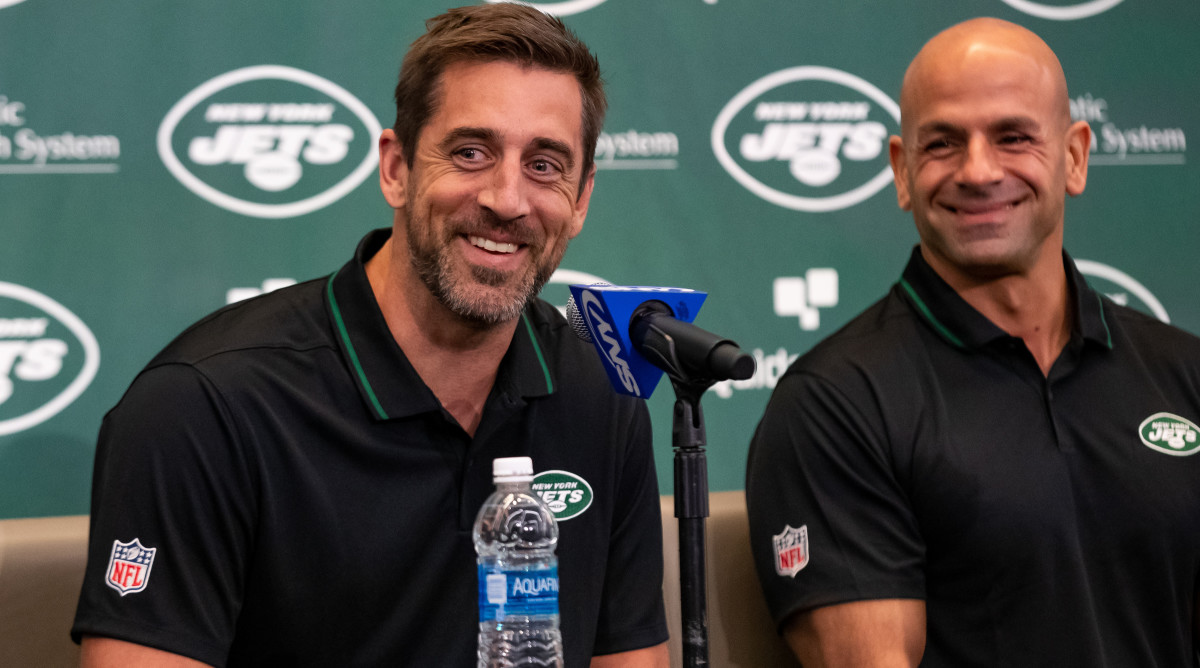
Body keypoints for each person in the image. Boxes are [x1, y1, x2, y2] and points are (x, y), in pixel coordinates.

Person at [71, 5, 670, 666]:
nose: (507, 199)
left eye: (545, 165)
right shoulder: (204, 408)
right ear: (397, 168)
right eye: (471, 152)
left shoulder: (601, 396)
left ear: (581, 198)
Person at [745, 17, 1200, 668]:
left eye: (1012, 137)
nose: (979, 171)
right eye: (943, 144)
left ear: (1074, 156)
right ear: (902, 172)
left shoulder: (1184, 374)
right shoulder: (835, 405)